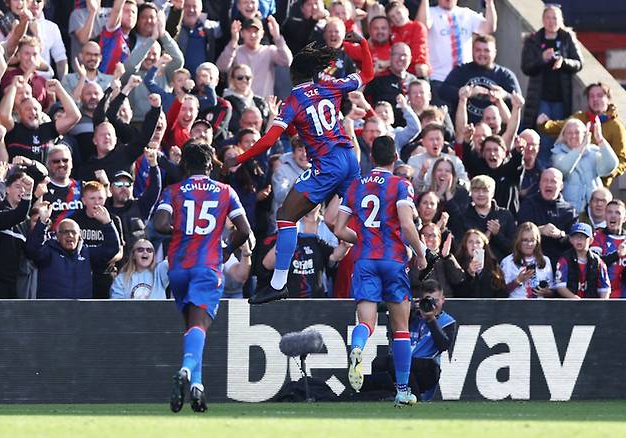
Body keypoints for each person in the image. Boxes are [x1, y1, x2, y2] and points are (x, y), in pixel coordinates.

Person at [227, 33, 374, 305]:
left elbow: (271, 139)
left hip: (327, 165)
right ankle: (413, 250)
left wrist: (240, 158)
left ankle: (279, 283)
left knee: (285, 217)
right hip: (349, 158)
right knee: (354, 218)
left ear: (293, 75)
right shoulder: (331, 86)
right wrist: (363, 44)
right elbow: (367, 73)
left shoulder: (293, 100)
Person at [153, 143, 252, 413]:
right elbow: (243, 229)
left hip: (178, 268)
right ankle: (185, 370)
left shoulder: (173, 191)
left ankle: (197, 387)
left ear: (184, 165)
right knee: (199, 325)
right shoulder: (225, 192)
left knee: (193, 329)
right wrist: (227, 248)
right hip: (207, 266)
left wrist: (182, 231)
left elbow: (160, 224)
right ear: (211, 166)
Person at [334, 135, 426, 406]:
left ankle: (358, 347)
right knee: (400, 329)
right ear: (395, 157)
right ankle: (402, 390)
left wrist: (361, 238)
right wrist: (420, 255)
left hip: (364, 261)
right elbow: (408, 226)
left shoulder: (355, 186)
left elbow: (338, 228)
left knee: (366, 322)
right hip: (394, 260)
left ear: (371, 157)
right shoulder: (400, 184)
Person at [521, 4, 583, 166]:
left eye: (555, 18)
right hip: (541, 97)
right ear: (543, 20)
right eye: (548, 18)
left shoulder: (567, 37)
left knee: (560, 136)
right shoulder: (534, 39)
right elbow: (526, 67)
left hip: (562, 97)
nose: (551, 21)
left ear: (560, 20)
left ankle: (558, 168)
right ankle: (543, 169)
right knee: (543, 136)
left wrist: (563, 62)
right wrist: (542, 59)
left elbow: (579, 63)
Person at [538, 82, 626, 187]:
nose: (595, 99)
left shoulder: (616, 127)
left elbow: (622, 160)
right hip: (573, 181)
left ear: (608, 99)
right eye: (591, 96)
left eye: (599, 96)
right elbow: (558, 127)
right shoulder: (580, 118)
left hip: (598, 186)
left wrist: (607, 171)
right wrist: (543, 123)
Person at [26, 209, 120, 299]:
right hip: (52, 312)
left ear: (79, 236)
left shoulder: (86, 253)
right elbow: (32, 249)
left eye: (73, 232)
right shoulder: (48, 252)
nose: (70, 235)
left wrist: (107, 223)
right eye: (65, 232)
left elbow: (112, 248)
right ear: (57, 236)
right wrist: (42, 222)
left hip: (81, 311)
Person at [550, 118, 618, 214]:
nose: (573, 136)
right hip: (569, 212)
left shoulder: (593, 152)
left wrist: (600, 139)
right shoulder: (557, 153)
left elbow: (610, 166)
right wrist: (582, 147)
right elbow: (563, 169)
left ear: (584, 134)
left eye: (577, 132)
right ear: (564, 135)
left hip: (594, 211)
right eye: (569, 133)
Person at [407, 279, 456, 400]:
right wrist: (408, 309)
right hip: (407, 363)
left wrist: (431, 319)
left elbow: (443, 345)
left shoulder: (447, 321)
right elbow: (393, 330)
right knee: (381, 366)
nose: (433, 305)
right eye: (428, 301)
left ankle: (415, 398)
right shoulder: (412, 316)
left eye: (436, 300)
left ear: (443, 299)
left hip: (427, 367)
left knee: (395, 364)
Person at [517, 168, 576, 267]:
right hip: (531, 262)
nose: (548, 184)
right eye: (545, 180)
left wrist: (560, 235)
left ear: (561, 186)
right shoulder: (528, 204)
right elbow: (519, 233)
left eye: (553, 181)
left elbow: (575, 241)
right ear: (539, 184)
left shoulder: (569, 211)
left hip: (560, 264)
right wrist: (538, 230)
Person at [0, 172, 33, 298]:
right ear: (6, 189)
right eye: (18, 186)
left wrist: (28, 193)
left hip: (3, 282)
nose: (21, 190)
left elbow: (19, 215)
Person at [590, 200, 626, 298]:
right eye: (609, 212)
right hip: (600, 297)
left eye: (618, 212)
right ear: (605, 216)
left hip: (625, 298)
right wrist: (617, 254)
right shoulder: (596, 237)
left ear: (624, 218)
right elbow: (593, 265)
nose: (613, 216)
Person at [554, 222, 610, 299]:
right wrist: (576, 299)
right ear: (571, 239)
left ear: (591, 240)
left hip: (592, 306)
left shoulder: (598, 262)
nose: (579, 240)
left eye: (583, 237)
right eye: (576, 237)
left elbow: (605, 289)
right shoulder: (564, 260)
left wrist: (601, 306)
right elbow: (560, 287)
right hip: (568, 307)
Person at [500, 222, 554, 299]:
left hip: (540, 306)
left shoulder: (545, 260)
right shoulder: (508, 261)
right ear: (518, 241)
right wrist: (517, 281)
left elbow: (552, 290)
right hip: (516, 306)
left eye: (532, 240)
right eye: (525, 240)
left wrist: (547, 292)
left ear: (537, 242)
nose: (529, 244)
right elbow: (501, 292)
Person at [454, 228, 506, 298]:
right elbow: (458, 293)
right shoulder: (457, 264)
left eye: (478, 242)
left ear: (484, 246)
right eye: (470, 242)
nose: (474, 245)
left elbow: (502, 291)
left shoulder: (493, 264)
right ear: (465, 246)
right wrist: (469, 273)